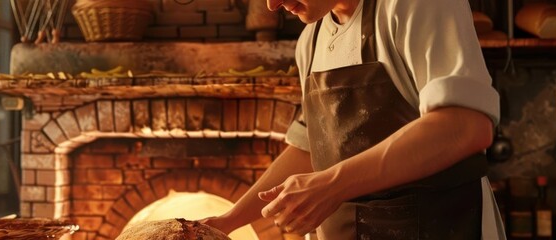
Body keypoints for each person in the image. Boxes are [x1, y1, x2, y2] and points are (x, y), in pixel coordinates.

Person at [202, 0, 505, 239]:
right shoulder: (311, 40)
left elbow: (465, 125)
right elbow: (312, 147)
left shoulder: (414, 5)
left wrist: (333, 185)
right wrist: (226, 222)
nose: (272, 4)